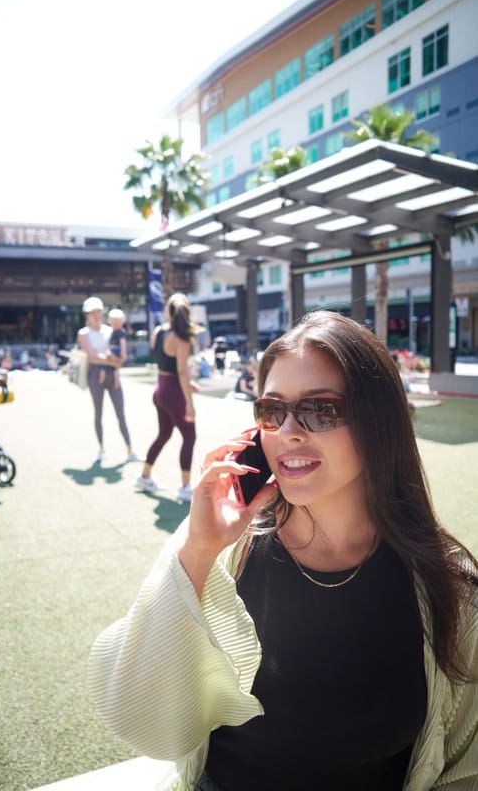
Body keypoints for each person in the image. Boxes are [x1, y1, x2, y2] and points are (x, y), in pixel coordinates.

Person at [87, 310, 478, 791]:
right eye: (272, 410)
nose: (289, 430)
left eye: (322, 409)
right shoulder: (222, 556)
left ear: (381, 423)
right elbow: (139, 716)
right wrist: (197, 550)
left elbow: (464, 764)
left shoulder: (450, 590)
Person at [134, 292, 199, 502]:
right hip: (172, 391)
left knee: (163, 435)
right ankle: (185, 487)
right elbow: (181, 371)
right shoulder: (182, 337)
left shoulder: (158, 331)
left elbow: (168, 367)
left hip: (160, 389)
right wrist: (189, 403)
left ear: (168, 312)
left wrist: (187, 386)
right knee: (189, 436)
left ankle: (144, 476)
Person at [77, 296, 140, 464]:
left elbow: (119, 354)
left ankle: (130, 450)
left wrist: (115, 362)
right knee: (98, 413)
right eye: (92, 313)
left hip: (113, 374)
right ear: (87, 315)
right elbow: (91, 356)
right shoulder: (83, 333)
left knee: (121, 413)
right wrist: (112, 360)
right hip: (95, 375)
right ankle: (101, 448)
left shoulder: (110, 330)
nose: (96, 315)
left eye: (98, 311)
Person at [107, 308, 129, 390]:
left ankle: (116, 382)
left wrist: (123, 353)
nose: (115, 324)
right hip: (113, 350)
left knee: (115, 367)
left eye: (117, 322)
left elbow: (123, 342)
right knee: (113, 367)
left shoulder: (120, 332)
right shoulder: (112, 331)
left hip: (116, 350)